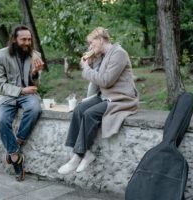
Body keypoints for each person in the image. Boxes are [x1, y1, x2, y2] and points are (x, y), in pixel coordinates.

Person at [58, 27, 139, 174]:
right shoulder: (103, 56)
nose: (90, 47)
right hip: (105, 96)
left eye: (91, 43)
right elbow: (97, 80)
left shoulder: (119, 54)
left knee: (90, 114)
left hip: (121, 98)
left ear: (101, 40)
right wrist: (90, 64)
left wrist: (86, 69)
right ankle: (83, 153)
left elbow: (105, 81)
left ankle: (78, 156)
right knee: (79, 109)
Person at [0, 25, 44, 181]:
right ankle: (17, 161)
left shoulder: (36, 55)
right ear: (15, 39)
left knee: (35, 109)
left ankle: (15, 148)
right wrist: (21, 91)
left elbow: (36, 84)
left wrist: (35, 73)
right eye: (23, 39)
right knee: (0, 120)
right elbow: (0, 84)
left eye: (29, 39)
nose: (27, 43)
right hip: (7, 96)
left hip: (28, 95)